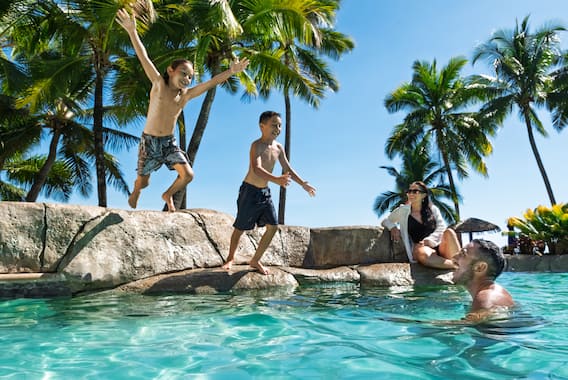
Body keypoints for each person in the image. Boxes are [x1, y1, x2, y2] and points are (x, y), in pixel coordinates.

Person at [116, 8, 249, 212]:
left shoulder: (185, 95)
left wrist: (231, 71)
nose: (187, 79)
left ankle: (168, 194)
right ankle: (136, 191)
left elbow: (210, 83)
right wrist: (132, 32)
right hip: (149, 142)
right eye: (183, 73)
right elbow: (144, 58)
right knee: (144, 182)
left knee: (188, 175)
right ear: (170, 70)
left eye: (190, 77)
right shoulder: (159, 84)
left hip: (169, 143)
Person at [222, 111, 316, 275]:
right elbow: (257, 169)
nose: (278, 128)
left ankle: (255, 260)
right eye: (274, 125)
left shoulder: (278, 147)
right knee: (240, 227)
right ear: (262, 126)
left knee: (273, 226)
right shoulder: (256, 145)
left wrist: (303, 184)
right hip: (249, 191)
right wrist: (277, 180)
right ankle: (230, 258)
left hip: (264, 193)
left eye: (280, 125)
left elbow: (287, 169)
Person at [381, 181, 460, 269]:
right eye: (409, 191)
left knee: (449, 232)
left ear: (424, 195)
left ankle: (460, 263)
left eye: (415, 191)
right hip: (422, 250)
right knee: (423, 254)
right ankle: (456, 265)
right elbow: (386, 220)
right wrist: (393, 227)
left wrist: (429, 240)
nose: (411, 193)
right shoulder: (403, 211)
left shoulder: (433, 209)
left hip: (439, 245)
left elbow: (442, 227)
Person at [452, 239, 515, 322]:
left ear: (480, 267)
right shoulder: (491, 293)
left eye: (462, 254)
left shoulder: (486, 298)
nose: (453, 258)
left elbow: (475, 324)